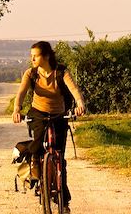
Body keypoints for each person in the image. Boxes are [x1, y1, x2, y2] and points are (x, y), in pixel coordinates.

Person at [13, 41, 86, 212]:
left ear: (46, 56)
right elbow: (21, 93)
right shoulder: (31, 74)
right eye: (31, 56)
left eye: (35, 55)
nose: (32, 58)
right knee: (37, 146)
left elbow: (74, 90)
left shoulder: (61, 72)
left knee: (60, 157)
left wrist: (80, 103)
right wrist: (17, 109)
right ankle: (36, 175)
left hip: (59, 114)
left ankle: (64, 200)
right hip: (38, 113)